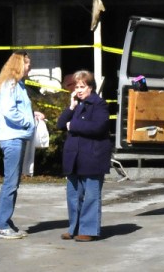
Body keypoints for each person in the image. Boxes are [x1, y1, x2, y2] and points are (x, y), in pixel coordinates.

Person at [0, 50, 44, 240]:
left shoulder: (19, 85)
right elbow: (9, 112)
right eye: (27, 63)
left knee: (13, 182)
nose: (30, 66)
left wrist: (33, 114)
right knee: (10, 183)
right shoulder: (10, 85)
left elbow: (18, 109)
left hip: (17, 138)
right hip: (12, 139)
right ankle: (1, 225)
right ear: (19, 65)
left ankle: (6, 222)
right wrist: (28, 122)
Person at [56, 70, 111, 241]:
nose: (78, 90)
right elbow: (60, 124)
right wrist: (71, 107)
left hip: (92, 156)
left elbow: (99, 127)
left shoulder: (99, 104)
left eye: (82, 87)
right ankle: (74, 228)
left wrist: (74, 125)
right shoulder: (77, 104)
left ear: (91, 88)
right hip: (74, 157)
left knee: (91, 196)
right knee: (73, 195)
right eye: (76, 87)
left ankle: (88, 230)